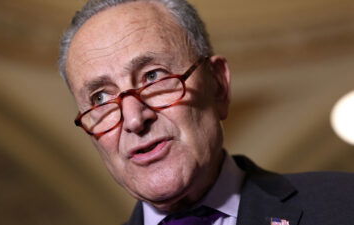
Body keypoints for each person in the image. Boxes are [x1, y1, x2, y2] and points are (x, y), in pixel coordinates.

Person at [58, 0, 354, 224]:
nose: (134, 119)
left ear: (218, 84)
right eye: (100, 98)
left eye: (153, 77)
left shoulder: (343, 204)